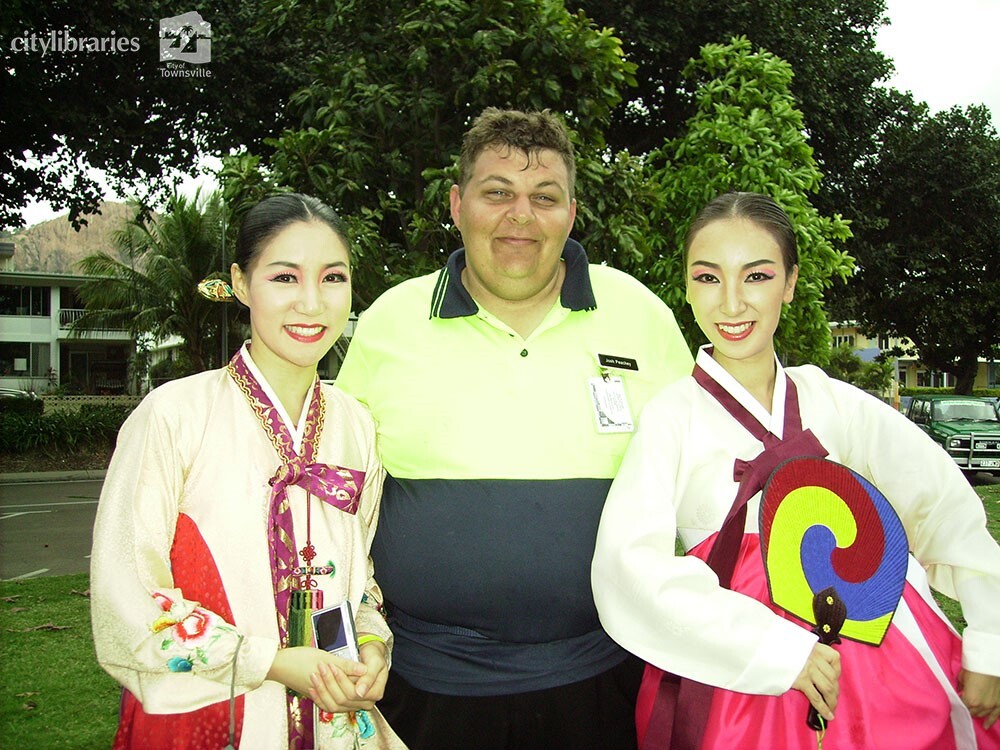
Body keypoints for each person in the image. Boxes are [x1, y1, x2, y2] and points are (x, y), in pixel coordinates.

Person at [333, 108, 694, 749]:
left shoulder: (642, 316)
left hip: (607, 678)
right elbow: (334, 504)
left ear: (572, 213)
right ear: (457, 203)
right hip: (421, 687)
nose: (520, 215)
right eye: (497, 192)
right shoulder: (389, 323)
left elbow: (703, 485)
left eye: (544, 197)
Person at [591, 191, 1000, 749]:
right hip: (740, 677)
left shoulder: (835, 402)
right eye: (708, 278)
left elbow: (943, 507)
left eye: (756, 276)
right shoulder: (673, 415)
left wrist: (991, 638)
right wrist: (776, 650)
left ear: (789, 282)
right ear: (686, 287)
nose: (731, 304)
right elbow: (628, 563)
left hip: (882, 659)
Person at [90, 194, 406, 749]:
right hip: (212, 714)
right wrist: (275, 662)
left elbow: (349, 582)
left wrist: (364, 646)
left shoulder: (356, 427)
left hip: (329, 718)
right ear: (241, 283)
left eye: (333, 278)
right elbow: (128, 603)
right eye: (285, 277)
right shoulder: (175, 416)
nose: (312, 303)